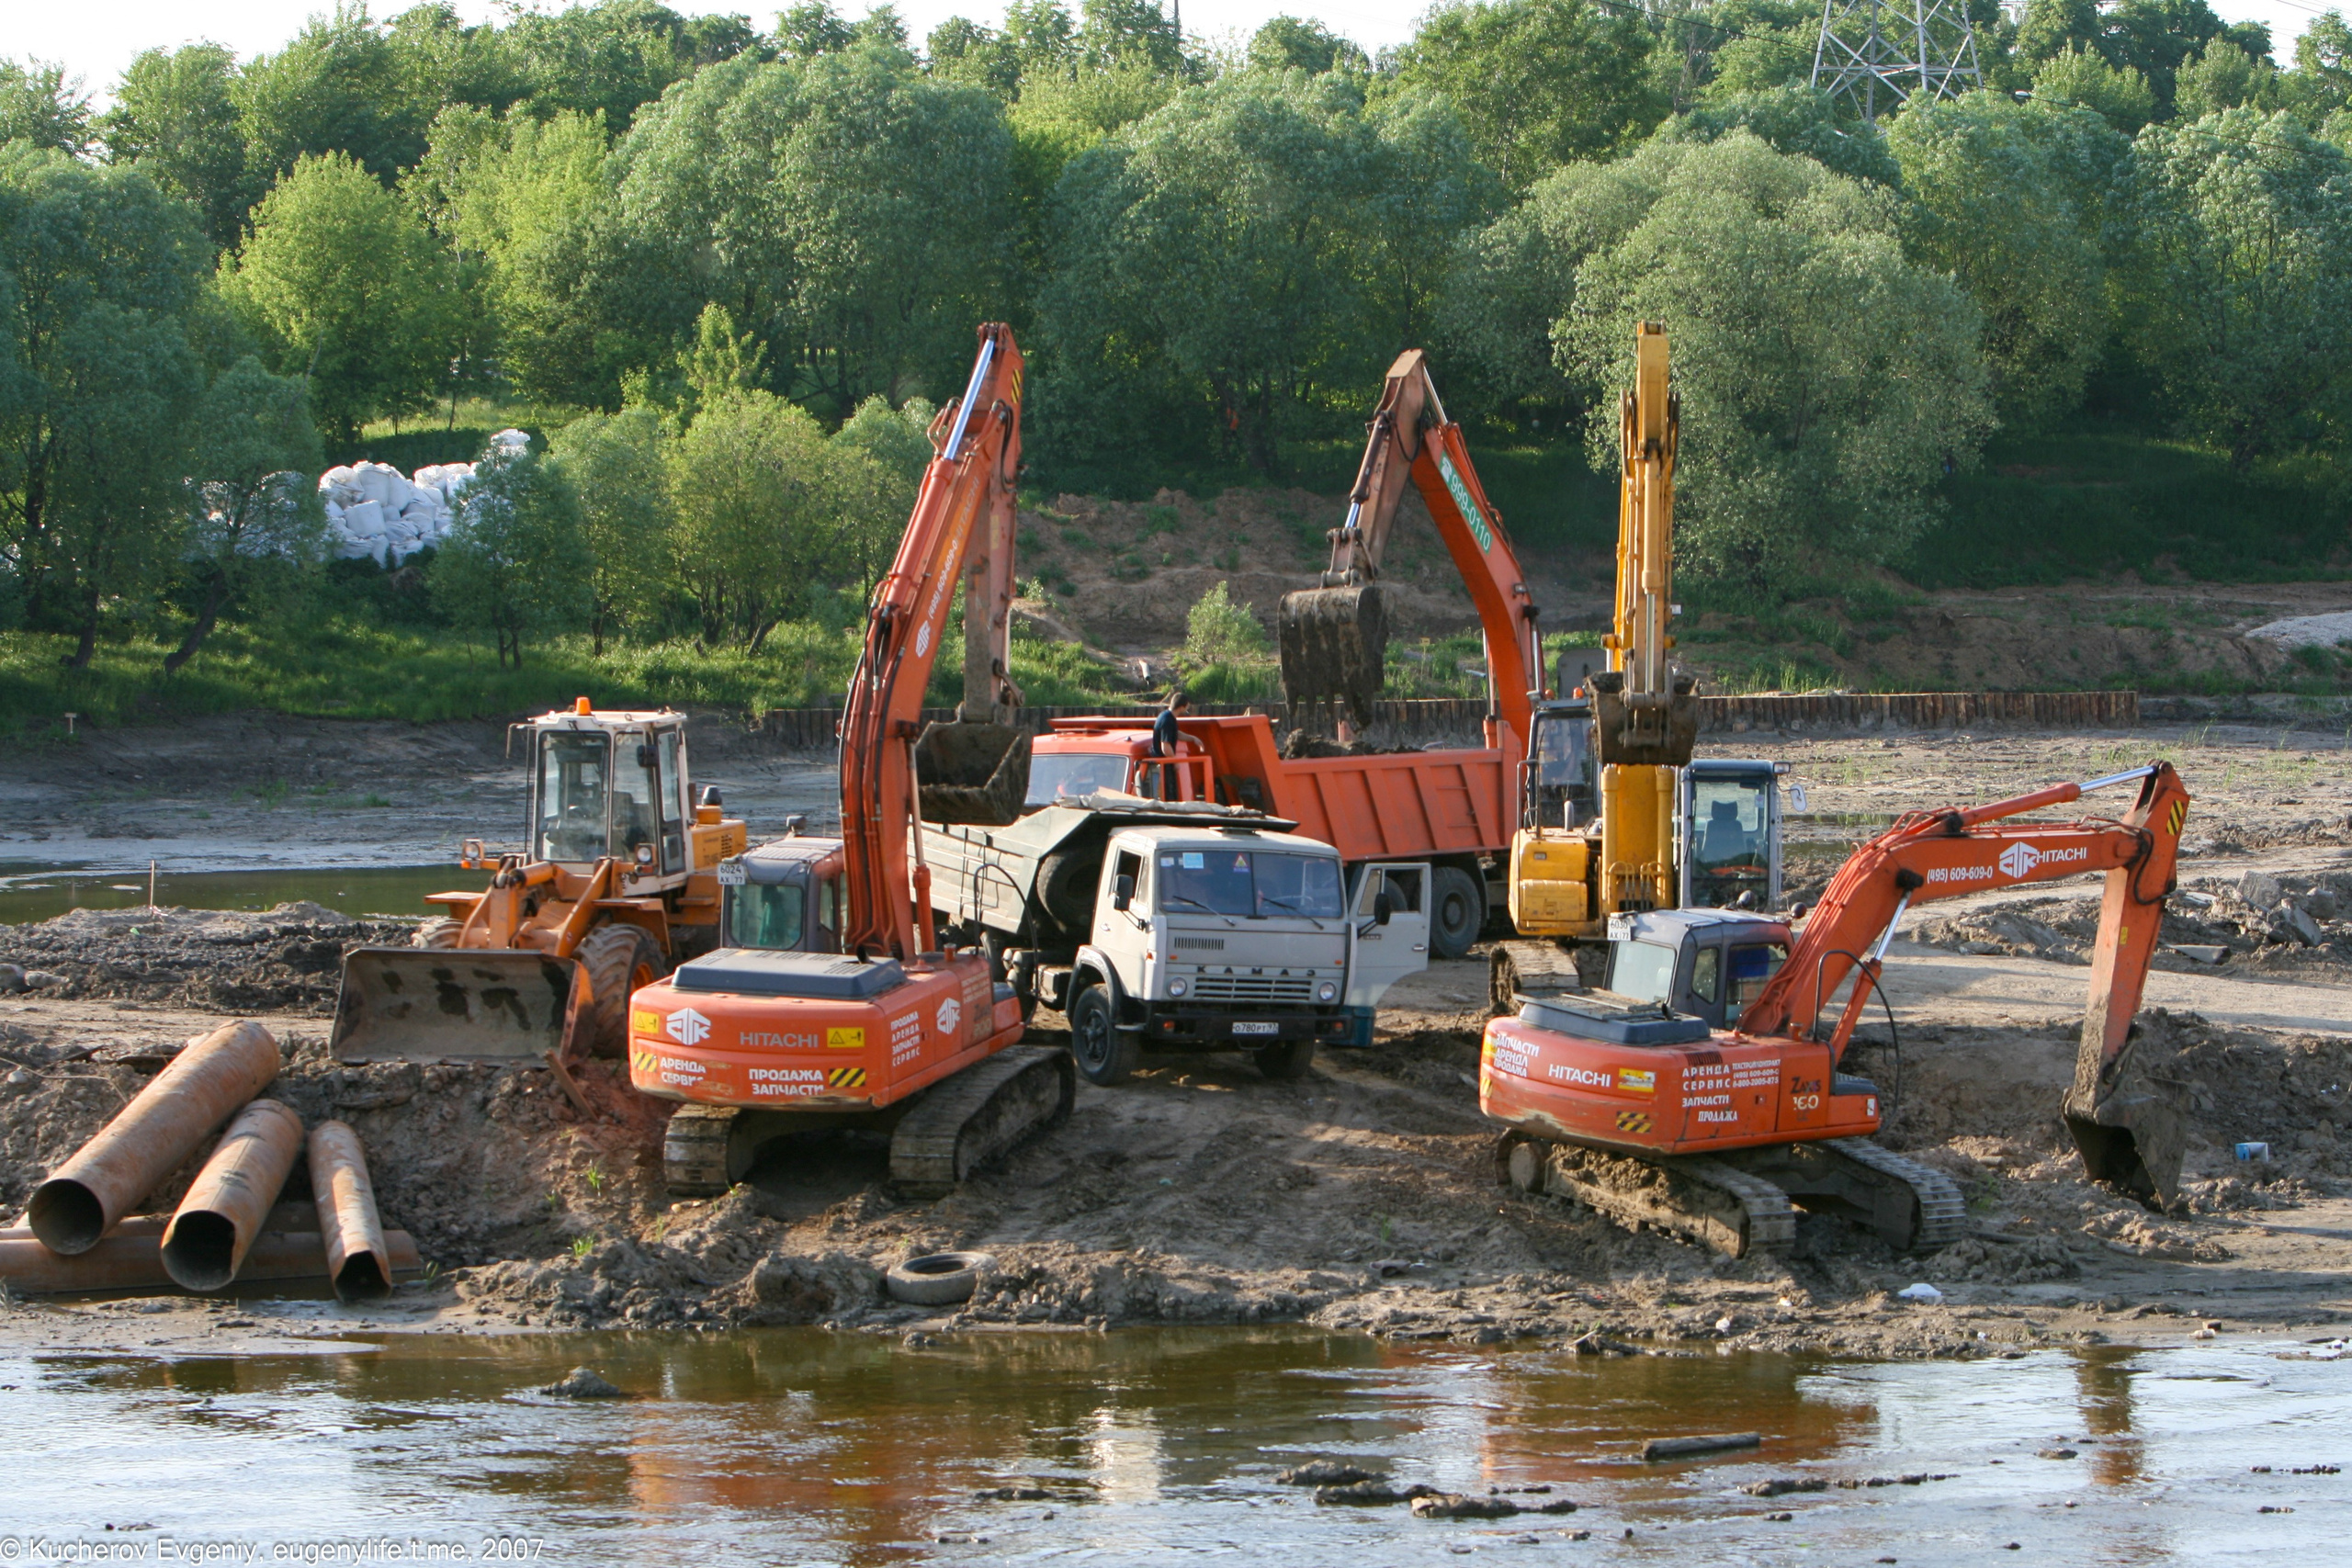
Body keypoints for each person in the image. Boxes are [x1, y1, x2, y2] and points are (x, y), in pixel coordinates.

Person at [1150, 688, 1189, 758]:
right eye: (1186, 706)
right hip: (1163, 763)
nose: (1187, 709)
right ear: (1181, 707)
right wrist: (1175, 763)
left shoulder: (1165, 715)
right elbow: (1165, 747)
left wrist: (1194, 739)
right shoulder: (1167, 720)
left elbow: (1176, 734)